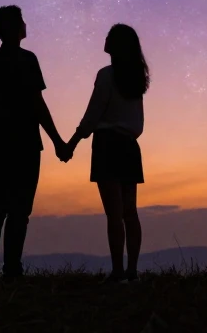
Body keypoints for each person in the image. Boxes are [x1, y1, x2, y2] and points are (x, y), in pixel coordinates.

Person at [0, 5, 70, 278]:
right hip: (26, 144)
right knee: (19, 210)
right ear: (15, 28)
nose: (26, 24)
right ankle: (12, 269)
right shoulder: (26, 59)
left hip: (1, 145)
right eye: (22, 21)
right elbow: (36, 104)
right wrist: (57, 141)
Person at [65, 23, 149, 282]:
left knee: (114, 214)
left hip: (107, 146)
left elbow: (92, 115)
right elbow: (138, 122)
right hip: (129, 146)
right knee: (129, 212)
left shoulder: (106, 76)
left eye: (109, 37)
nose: (105, 39)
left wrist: (72, 142)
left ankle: (117, 271)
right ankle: (132, 270)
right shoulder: (136, 79)